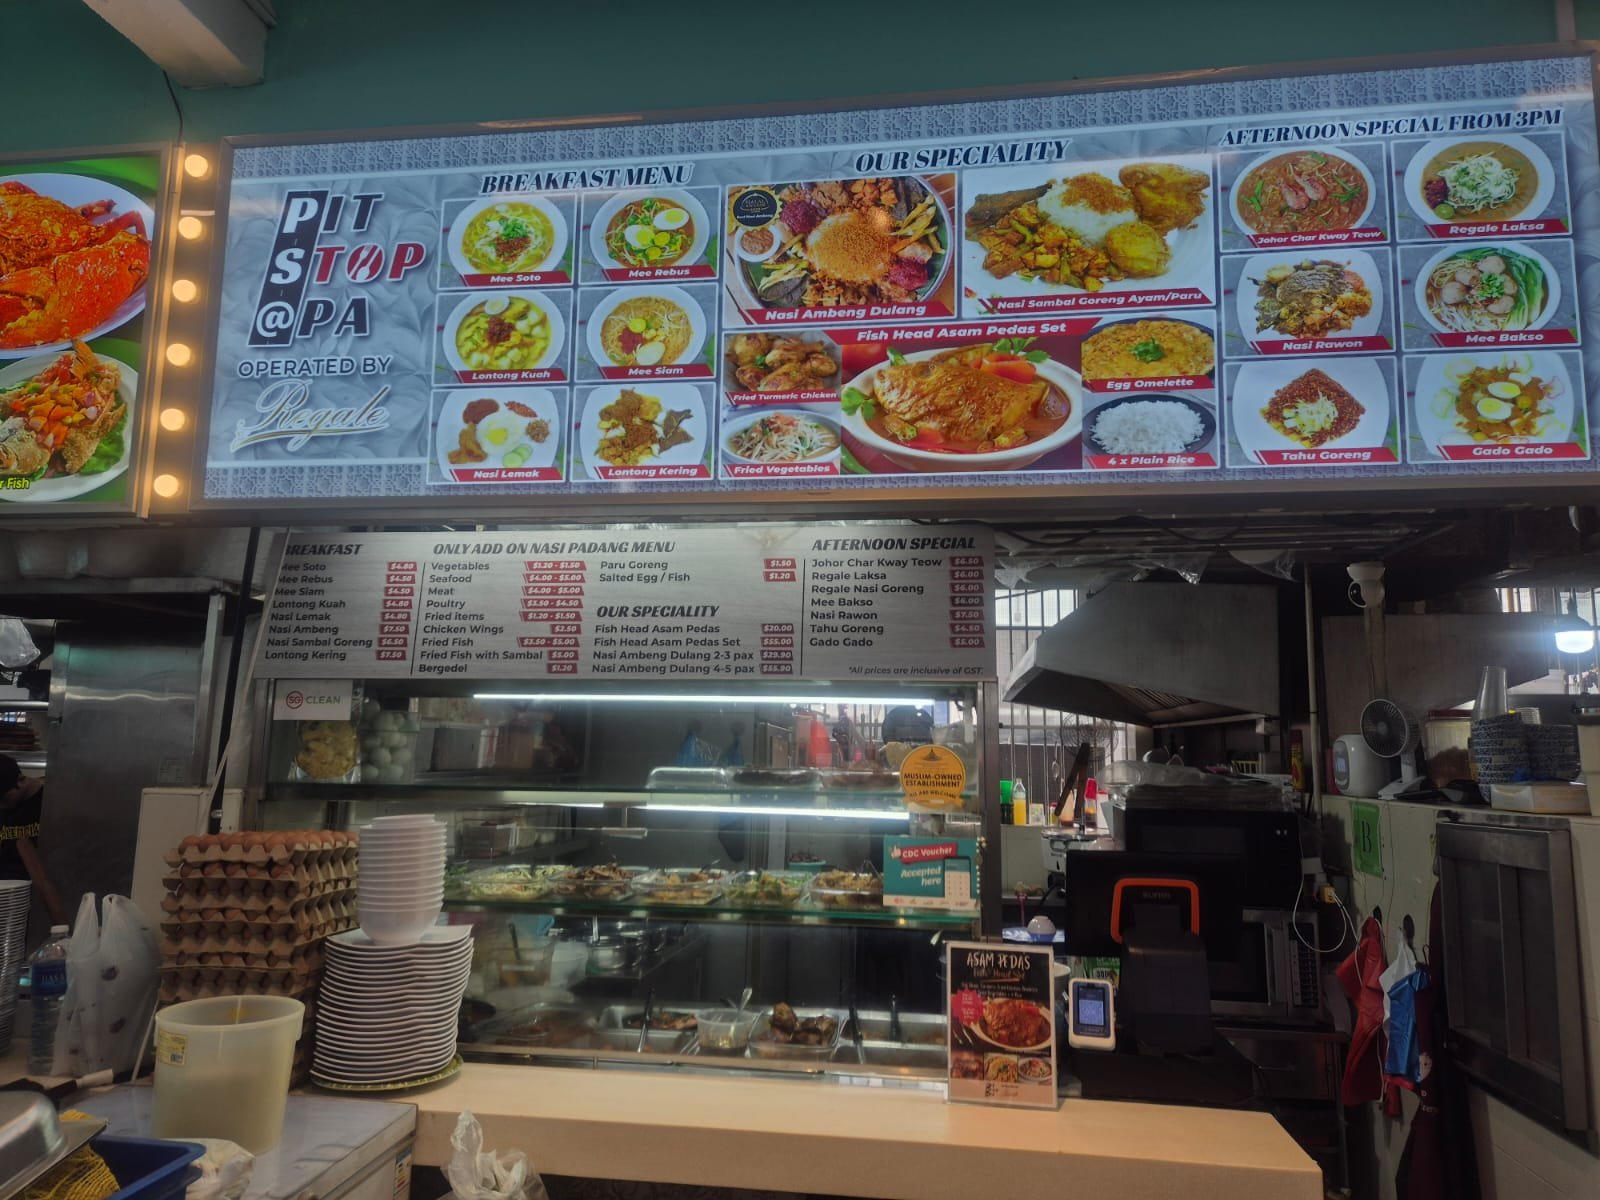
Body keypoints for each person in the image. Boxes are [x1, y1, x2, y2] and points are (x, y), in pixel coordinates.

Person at [0, 756, 66, 926]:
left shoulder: (51, 801)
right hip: (6, 894)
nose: (2, 807)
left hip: (42, 894)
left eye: (4, 799)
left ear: (20, 779)